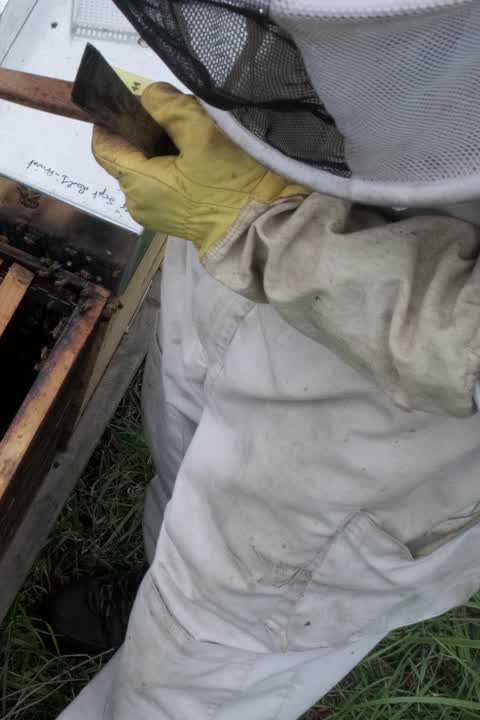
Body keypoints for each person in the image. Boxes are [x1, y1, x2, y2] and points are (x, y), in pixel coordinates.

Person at [46, 1, 480, 717]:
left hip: (393, 402)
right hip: (261, 195)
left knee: (225, 646)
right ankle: (160, 588)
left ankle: (176, 669)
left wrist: (264, 227)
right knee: (180, 453)